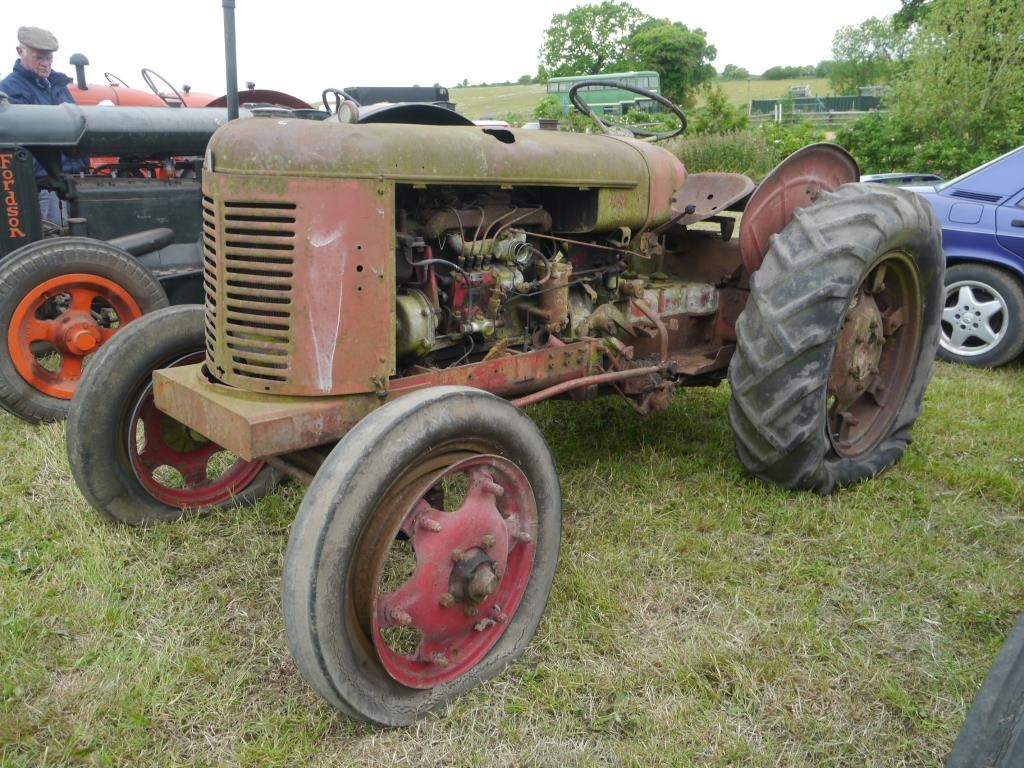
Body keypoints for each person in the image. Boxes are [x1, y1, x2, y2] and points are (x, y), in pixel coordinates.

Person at [0, 26, 81, 225]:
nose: (45, 64)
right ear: (21, 52)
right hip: (41, 185)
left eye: (49, 58)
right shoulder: (10, 90)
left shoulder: (58, 87)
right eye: (39, 58)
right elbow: (23, 143)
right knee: (52, 239)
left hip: (70, 181)